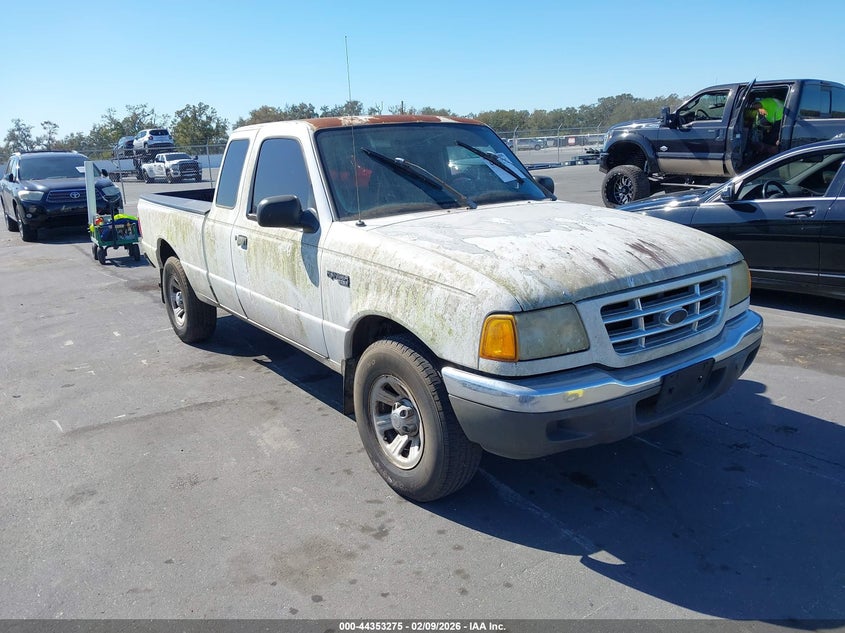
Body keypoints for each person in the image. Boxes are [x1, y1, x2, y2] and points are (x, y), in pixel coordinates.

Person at [744, 97, 784, 165]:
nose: (760, 113)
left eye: (759, 111)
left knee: (770, 140)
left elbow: (756, 105)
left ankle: (767, 159)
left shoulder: (765, 102)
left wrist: (747, 110)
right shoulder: (771, 109)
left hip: (781, 119)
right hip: (783, 119)